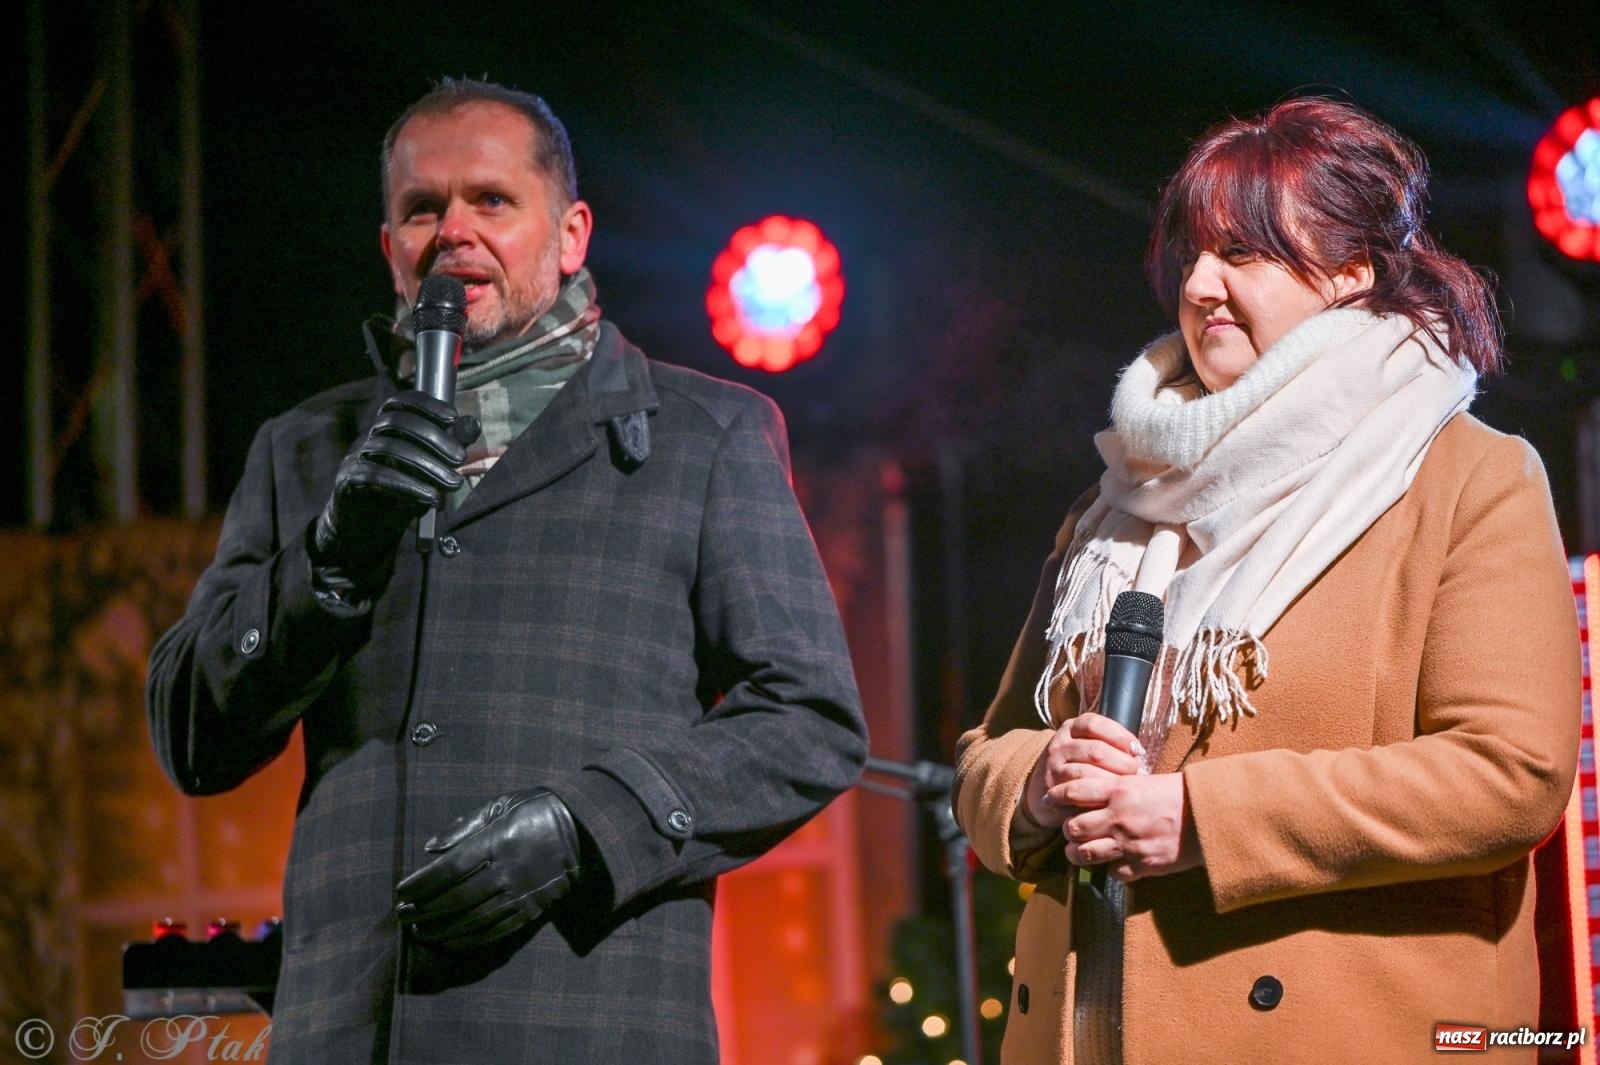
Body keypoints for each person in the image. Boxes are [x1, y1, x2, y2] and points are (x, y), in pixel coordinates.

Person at [146, 78, 866, 1064]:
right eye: (420, 209)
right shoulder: (305, 451)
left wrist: (584, 826)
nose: (453, 231)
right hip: (351, 1033)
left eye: (490, 200)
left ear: (569, 236)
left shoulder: (703, 435)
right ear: (390, 250)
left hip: (588, 1025)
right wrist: (329, 561)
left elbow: (809, 718)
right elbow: (193, 735)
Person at [952, 97, 1580, 1064]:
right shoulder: (1116, 498)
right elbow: (987, 749)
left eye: (1242, 253)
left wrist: (1201, 816)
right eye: (1192, 254)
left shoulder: (1466, 476)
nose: (1199, 283)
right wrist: (1037, 782)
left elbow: (1510, 772)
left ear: (1350, 272)